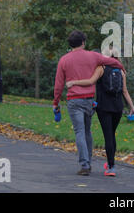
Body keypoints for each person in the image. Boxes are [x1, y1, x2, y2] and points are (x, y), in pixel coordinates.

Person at [53, 31, 125, 176]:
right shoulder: (93, 56)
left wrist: (56, 102)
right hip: (89, 100)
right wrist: (121, 68)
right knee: (87, 131)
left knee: (79, 131)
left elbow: (59, 84)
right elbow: (113, 62)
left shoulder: (64, 60)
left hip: (74, 100)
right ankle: (89, 161)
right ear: (83, 43)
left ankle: (85, 165)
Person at [66, 48, 134, 177]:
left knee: (108, 135)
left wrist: (73, 82)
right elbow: (125, 91)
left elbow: (90, 81)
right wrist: (132, 107)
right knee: (112, 135)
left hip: (104, 107)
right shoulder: (121, 70)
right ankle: (111, 163)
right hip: (118, 107)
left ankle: (111, 167)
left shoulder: (101, 68)